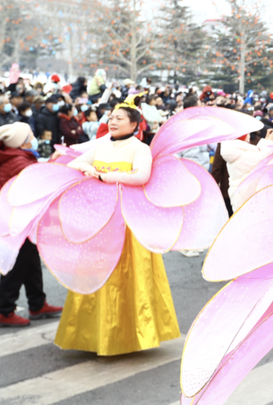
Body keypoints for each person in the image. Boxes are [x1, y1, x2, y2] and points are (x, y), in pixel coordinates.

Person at [56, 95, 181, 355]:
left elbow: (141, 176)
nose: (112, 121)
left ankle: (130, 335)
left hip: (127, 220)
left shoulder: (139, 149)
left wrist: (103, 175)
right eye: (111, 117)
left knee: (127, 273)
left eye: (119, 118)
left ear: (134, 124)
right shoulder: (102, 145)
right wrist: (84, 168)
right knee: (94, 271)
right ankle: (92, 334)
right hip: (100, 220)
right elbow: (74, 162)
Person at [0, 122, 62, 327]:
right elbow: (38, 183)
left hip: (20, 218)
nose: (33, 138)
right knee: (17, 264)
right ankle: (5, 311)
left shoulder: (14, 155)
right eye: (30, 135)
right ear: (21, 142)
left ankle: (37, 304)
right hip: (18, 220)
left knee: (30, 262)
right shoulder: (18, 161)